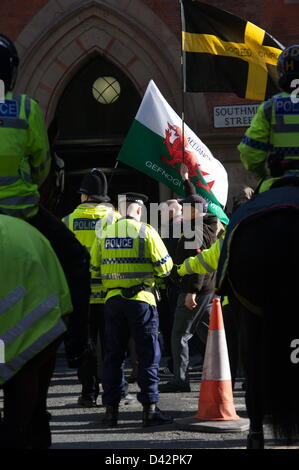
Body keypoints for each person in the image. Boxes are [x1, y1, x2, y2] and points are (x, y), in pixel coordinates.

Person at [0, 33, 91, 368]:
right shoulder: (25, 108)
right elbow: (42, 164)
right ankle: (79, 345)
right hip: (21, 212)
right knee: (77, 261)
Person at [90, 192, 174, 427]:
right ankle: (150, 411)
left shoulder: (103, 233)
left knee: (113, 357)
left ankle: (110, 412)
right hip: (142, 301)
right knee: (148, 355)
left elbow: (95, 269)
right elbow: (166, 267)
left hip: (112, 301)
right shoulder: (146, 231)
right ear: (138, 209)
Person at [0, 214, 73, 449]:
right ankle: (80, 352)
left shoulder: (70, 218)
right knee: (76, 259)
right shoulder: (31, 233)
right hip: (29, 338)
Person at [62, 168, 120, 407]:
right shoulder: (116, 219)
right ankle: (112, 391)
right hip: (110, 293)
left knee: (86, 345)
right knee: (110, 345)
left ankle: (88, 393)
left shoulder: (68, 221)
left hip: (81, 296)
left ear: (85, 196)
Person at [160, 192, 219, 392]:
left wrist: (191, 292)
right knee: (211, 333)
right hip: (206, 290)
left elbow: (199, 263)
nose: (181, 210)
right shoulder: (204, 225)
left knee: (180, 335)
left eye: (184, 207)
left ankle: (180, 380)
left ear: (194, 211)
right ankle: (228, 369)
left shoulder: (196, 229)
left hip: (195, 290)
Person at [238, 44, 299, 193]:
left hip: (279, 186)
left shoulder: (269, 108)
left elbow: (250, 152)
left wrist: (264, 174)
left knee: (244, 215)